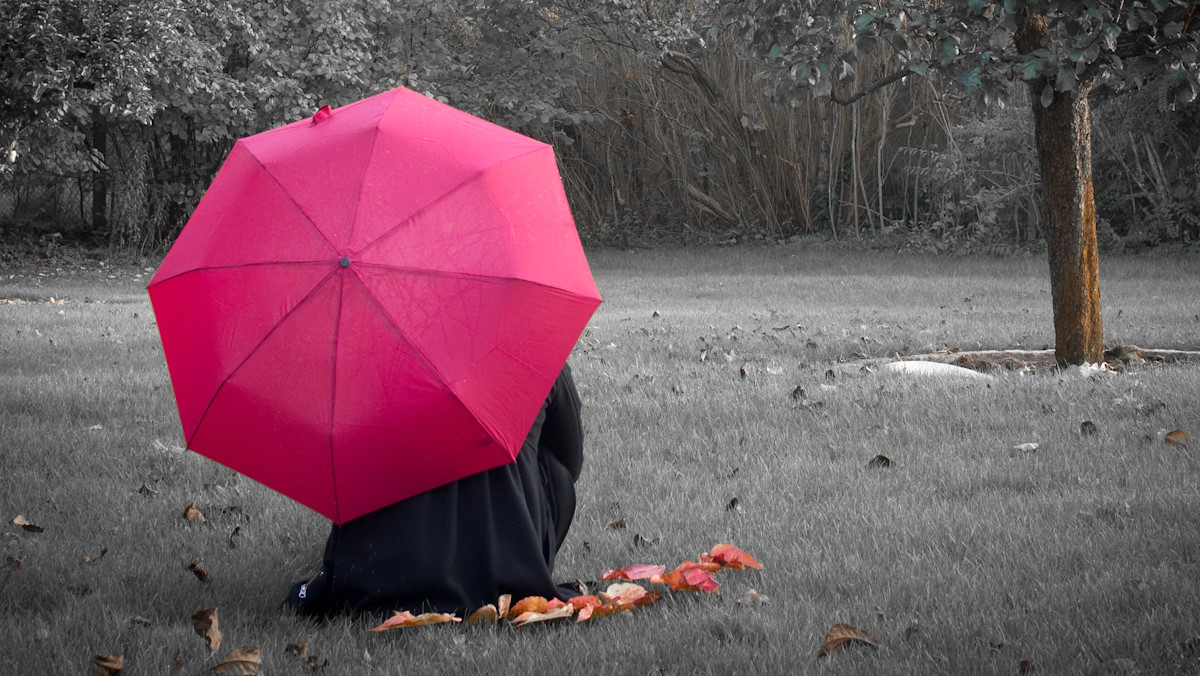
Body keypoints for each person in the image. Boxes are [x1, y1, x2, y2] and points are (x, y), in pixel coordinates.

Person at [283, 364, 584, 617]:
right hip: (504, 558)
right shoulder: (534, 351)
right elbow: (569, 462)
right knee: (555, 472)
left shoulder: (366, 359)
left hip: (386, 566)